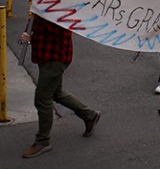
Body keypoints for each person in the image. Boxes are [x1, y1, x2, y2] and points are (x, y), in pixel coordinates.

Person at [20, 16, 101, 158]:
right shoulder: (42, 1)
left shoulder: (60, 5)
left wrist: (37, 24)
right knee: (56, 93)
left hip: (55, 56)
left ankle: (42, 141)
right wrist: (28, 33)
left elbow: (59, 29)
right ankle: (89, 115)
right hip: (45, 54)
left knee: (42, 98)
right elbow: (34, 19)